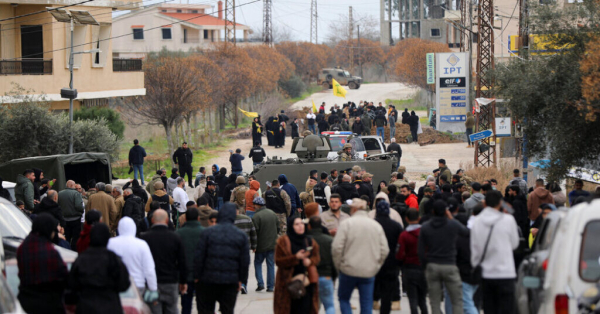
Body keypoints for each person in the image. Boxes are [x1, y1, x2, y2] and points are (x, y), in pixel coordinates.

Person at [332, 198, 389, 314]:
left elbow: (336, 248)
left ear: (354, 209)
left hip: (348, 269)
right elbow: (385, 249)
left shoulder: (346, 224)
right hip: (368, 270)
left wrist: (339, 266)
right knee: (366, 303)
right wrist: (376, 265)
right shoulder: (375, 225)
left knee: (344, 299)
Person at [194, 203, 250, 313]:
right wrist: (242, 280)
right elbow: (244, 261)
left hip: (208, 279)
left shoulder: (207, 233)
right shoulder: (240, 235)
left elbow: (199, 256)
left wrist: (196, 276)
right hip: (230, 281)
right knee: (227, 310)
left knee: (206, 309)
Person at [471, 191, 520, 314]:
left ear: (485, 203)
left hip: (486, 274)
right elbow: (515, 244)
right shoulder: (508, 220)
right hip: (506, 273)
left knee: (489, 309)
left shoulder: (477, 221)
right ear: (501, 203)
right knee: (507, 309)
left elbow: (474, 248)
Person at [418, 200, 469, 314]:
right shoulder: (452, 224)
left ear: (433, 211)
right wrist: (451, 218)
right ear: (446, 211)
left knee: (434, 301)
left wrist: (425, 266)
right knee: (457, 300)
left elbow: (421, 251)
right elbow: (466, 232)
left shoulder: (425, 227)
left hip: (432, 265)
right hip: (449, 264)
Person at [69, 223, 131, 314]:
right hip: (110, 306)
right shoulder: (113, 259)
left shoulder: (81, 259)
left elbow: (71, 285)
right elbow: (124, 283)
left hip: (86, 307)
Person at [16, 214, 68, 314]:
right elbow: (63, 276)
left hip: (25, 302)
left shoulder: (23, 248)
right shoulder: (50, 251)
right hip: (48, 304)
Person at [140, 209, 187, 314]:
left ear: (152, 220)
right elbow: (182, 261)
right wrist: (183, 281)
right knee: (172, 309)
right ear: (167, 221)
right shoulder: (175, 237)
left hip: (152, 284)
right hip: (170, 282)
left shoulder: (144, 238)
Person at [274, 216, 321, 314]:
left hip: (306, 285)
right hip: (288, 286)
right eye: (297, 224)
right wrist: (295, 257)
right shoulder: (284, 241)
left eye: (301, 223)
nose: (300, 226)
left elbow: (317, 257)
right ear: (291, 227)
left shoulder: (309, 241)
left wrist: (310, 261)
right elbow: (278, 261)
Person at [108, 216, 157, 296]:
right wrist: (153, 289)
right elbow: (149, 269)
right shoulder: (141, 244)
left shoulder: (110, 243)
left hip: (115, 285)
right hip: (137, 284)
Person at [373, 201, 403, 314]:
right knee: (387, 291)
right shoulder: (396, 226)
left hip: (375, 261)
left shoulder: (373, 224)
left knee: (375, 284)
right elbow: (401, 244)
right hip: (391, 262)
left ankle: (375, 301)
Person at [397, 209, 428, 314]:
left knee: (413, 300)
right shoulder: (425, 233)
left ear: (406, 219)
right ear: (419, 218)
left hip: (409, 269)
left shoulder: (404, 235)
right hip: (423, 268)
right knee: (422, 300)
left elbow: (400, 254)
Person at [175, 208, 205, 314]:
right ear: (198, 218)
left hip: (184, 276)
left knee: (186, 306)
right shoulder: (205, 233)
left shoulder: (178, 234)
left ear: (186, 218)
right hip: (202, 276)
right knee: (204, 306)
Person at [307, 216, 336, 314]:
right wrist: (334, 275)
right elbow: (334, 260)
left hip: (310, 277)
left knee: (312, 306)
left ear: (309, 226)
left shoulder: (306, 240)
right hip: (326, 276)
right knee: (329, 305)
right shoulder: (329, 240)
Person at [251, 197, 279, 292]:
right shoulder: (272, 214)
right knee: (270, 265)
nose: (253, 207)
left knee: (258, 263)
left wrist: (253, 246)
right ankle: (270, 286)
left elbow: (255, 233)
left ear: (257, 205)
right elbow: (278, 228)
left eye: (254, 204)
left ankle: (260, 284)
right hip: (272, 244)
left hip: (260, 245)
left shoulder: (256, 216)